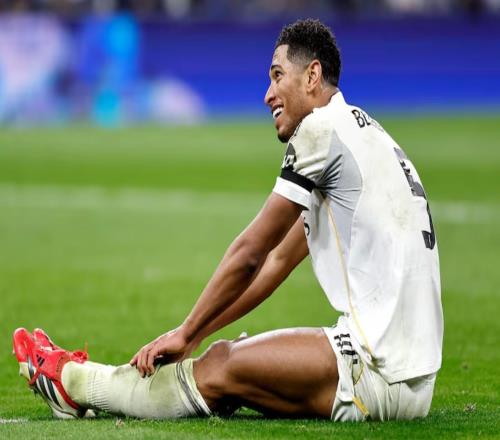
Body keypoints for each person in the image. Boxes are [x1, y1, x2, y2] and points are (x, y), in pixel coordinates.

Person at [13, 18, 443, 422]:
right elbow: (276, 262)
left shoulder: (320, 131)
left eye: (277, 76)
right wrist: (199, 331)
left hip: (375, 367)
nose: (268, 95)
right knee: (230, 361)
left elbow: (252, 252)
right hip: (412, 381)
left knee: (222, 365)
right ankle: (90, 384)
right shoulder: (366, 134)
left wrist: (186, 333)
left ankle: (76, 384)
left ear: (312, 76)